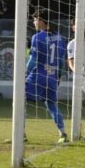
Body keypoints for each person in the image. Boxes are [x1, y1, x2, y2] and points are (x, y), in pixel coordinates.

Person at [26, 9, 68, 144]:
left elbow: (34, 60)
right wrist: (58, 76)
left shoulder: (37, 37)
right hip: (53, 76)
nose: (34, 22)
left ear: (43, 21)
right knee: (52, 105)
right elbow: (62, 61)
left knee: (19, 100)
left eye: (35, 19)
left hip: (38, 75)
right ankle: (63, 134)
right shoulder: (61, 38)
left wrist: (24, 73)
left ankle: (20, 134)